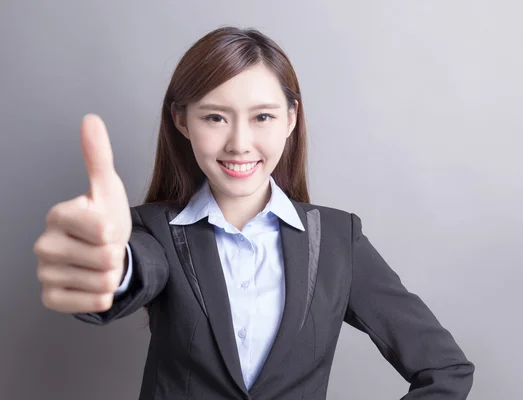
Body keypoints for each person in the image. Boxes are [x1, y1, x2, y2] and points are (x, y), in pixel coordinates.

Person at [33, 26, 474, 399]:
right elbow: (136, 266)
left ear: (291, 119)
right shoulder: (152, 229)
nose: (240, 143)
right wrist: (109, 268)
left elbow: (445, 368)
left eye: (262, 117)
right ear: (182, 121)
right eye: (215, 118)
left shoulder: (340, 238)